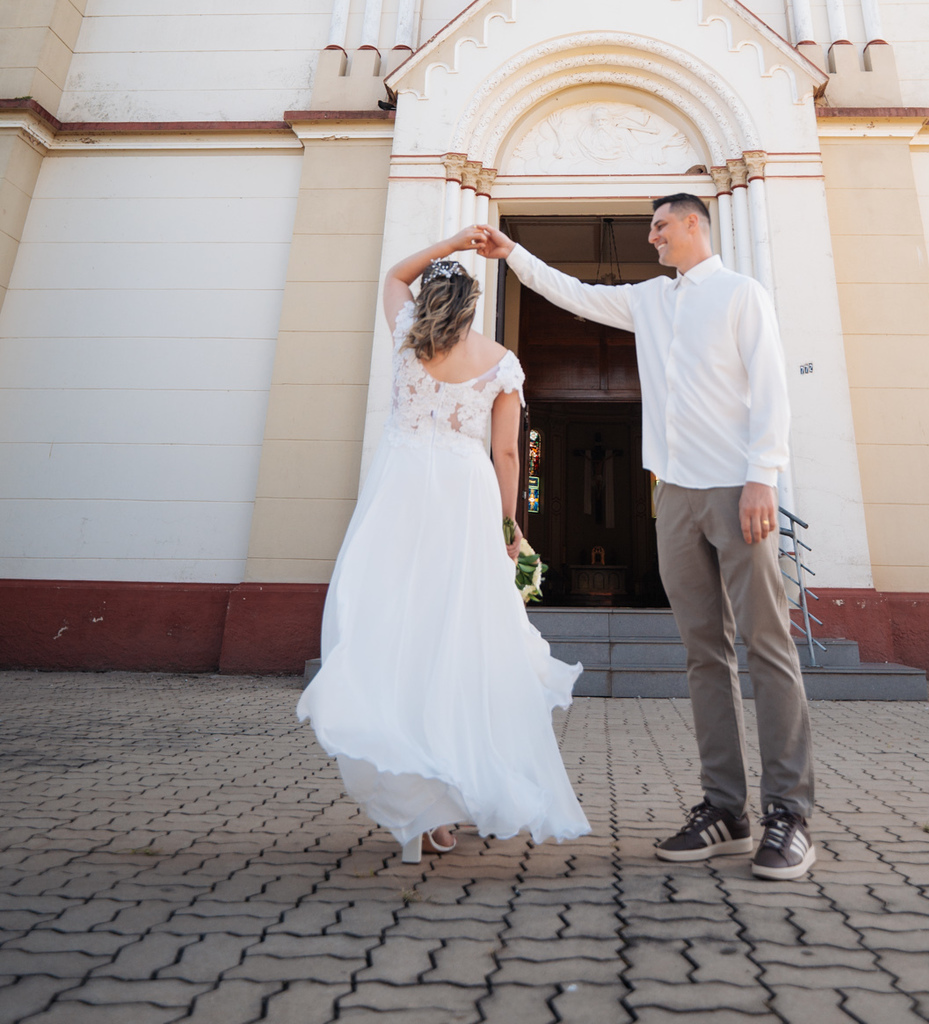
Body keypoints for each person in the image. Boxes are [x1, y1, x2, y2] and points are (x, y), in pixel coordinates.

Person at [478, 195, 816, 880]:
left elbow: (772, 388)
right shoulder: (650, 302)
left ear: (695, 224)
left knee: (767, 644)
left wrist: (763, 477)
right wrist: (512, 254)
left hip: (737, 487)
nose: (652, 235)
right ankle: (726, 809)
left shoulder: (740, 294)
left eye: (661, 225)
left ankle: (791, 813)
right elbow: (571, 291)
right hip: (676, 495)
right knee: (702, 654)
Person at [298, 229, 590, 857]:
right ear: (472, 307)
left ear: (432, 299)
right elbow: (508, 451)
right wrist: (511, 525)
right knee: (459, 632)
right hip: (463, 494)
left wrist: (454, 239)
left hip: (399, 488)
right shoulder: (501, 361)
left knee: (398, 623)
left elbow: (394, 275)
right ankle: (448, 791)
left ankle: (420, 796)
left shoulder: (407, 335)